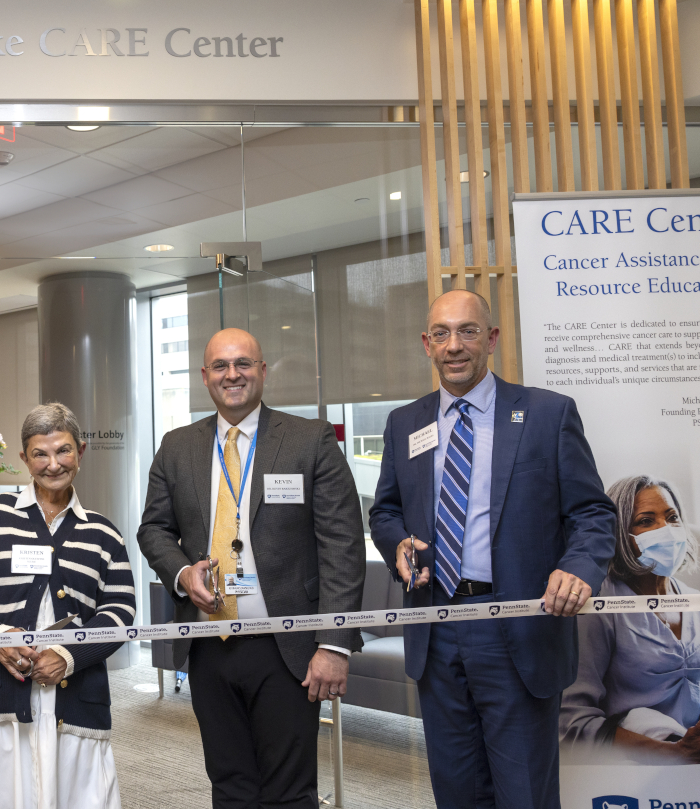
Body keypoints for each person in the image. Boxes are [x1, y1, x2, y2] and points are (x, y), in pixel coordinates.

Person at [369, 289, 616, 809]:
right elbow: (385, 512)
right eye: (442, 333)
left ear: (492, 338)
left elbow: (593, 514)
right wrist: (397, 546)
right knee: (457, 793)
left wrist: (578, 569)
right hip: (436, 636)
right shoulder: (404, 423)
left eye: (468, 331)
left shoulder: (548, 415)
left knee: (524, 794)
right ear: (426, 344)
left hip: (519, 631)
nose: (454, 345)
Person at [137, 327, 366, 808]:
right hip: (209, 646)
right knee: (230, 784)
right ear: (205, 377)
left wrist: (334, 644)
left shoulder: (309, 439)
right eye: (220, 366)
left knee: (289, 790)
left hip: (288, 647)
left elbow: (341, 543)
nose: (232, 374)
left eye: (243, 363)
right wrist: (182, 573)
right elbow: (153, 530)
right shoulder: (177, 446)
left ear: (262, 371)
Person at [0, 402, 135, 809]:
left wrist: (69, 654)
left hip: (73, 695)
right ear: (24, 458)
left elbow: (120, 612)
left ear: (81, 451)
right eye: (40, 454)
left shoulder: (104, 533)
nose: (53, 464)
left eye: (63, 451)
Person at [561, 475, 700, 763]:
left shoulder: (693, 600)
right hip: (630, 771)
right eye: (646, 521)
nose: (666, 529)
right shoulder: (600, 605)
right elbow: (572, 721)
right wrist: (674, 753)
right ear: (621, 533)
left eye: (672, 517)